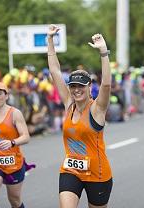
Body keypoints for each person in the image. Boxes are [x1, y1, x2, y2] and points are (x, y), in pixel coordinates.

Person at [47, 24, 113, 208]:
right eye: (73, 86)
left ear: (89, 86)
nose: (76, 90)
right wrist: (50, 40)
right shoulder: (69, 105)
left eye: (81, 86)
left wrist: (103, 53)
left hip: (97, 174)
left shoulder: (97, 109)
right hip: (71, 170)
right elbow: (55, 71)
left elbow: (106, 86)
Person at [0, 82, 35, 208]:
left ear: (7, 96)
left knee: (14, 200)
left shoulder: (15, 114)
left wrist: (12, 142)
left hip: (13, 164)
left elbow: (26, 137)